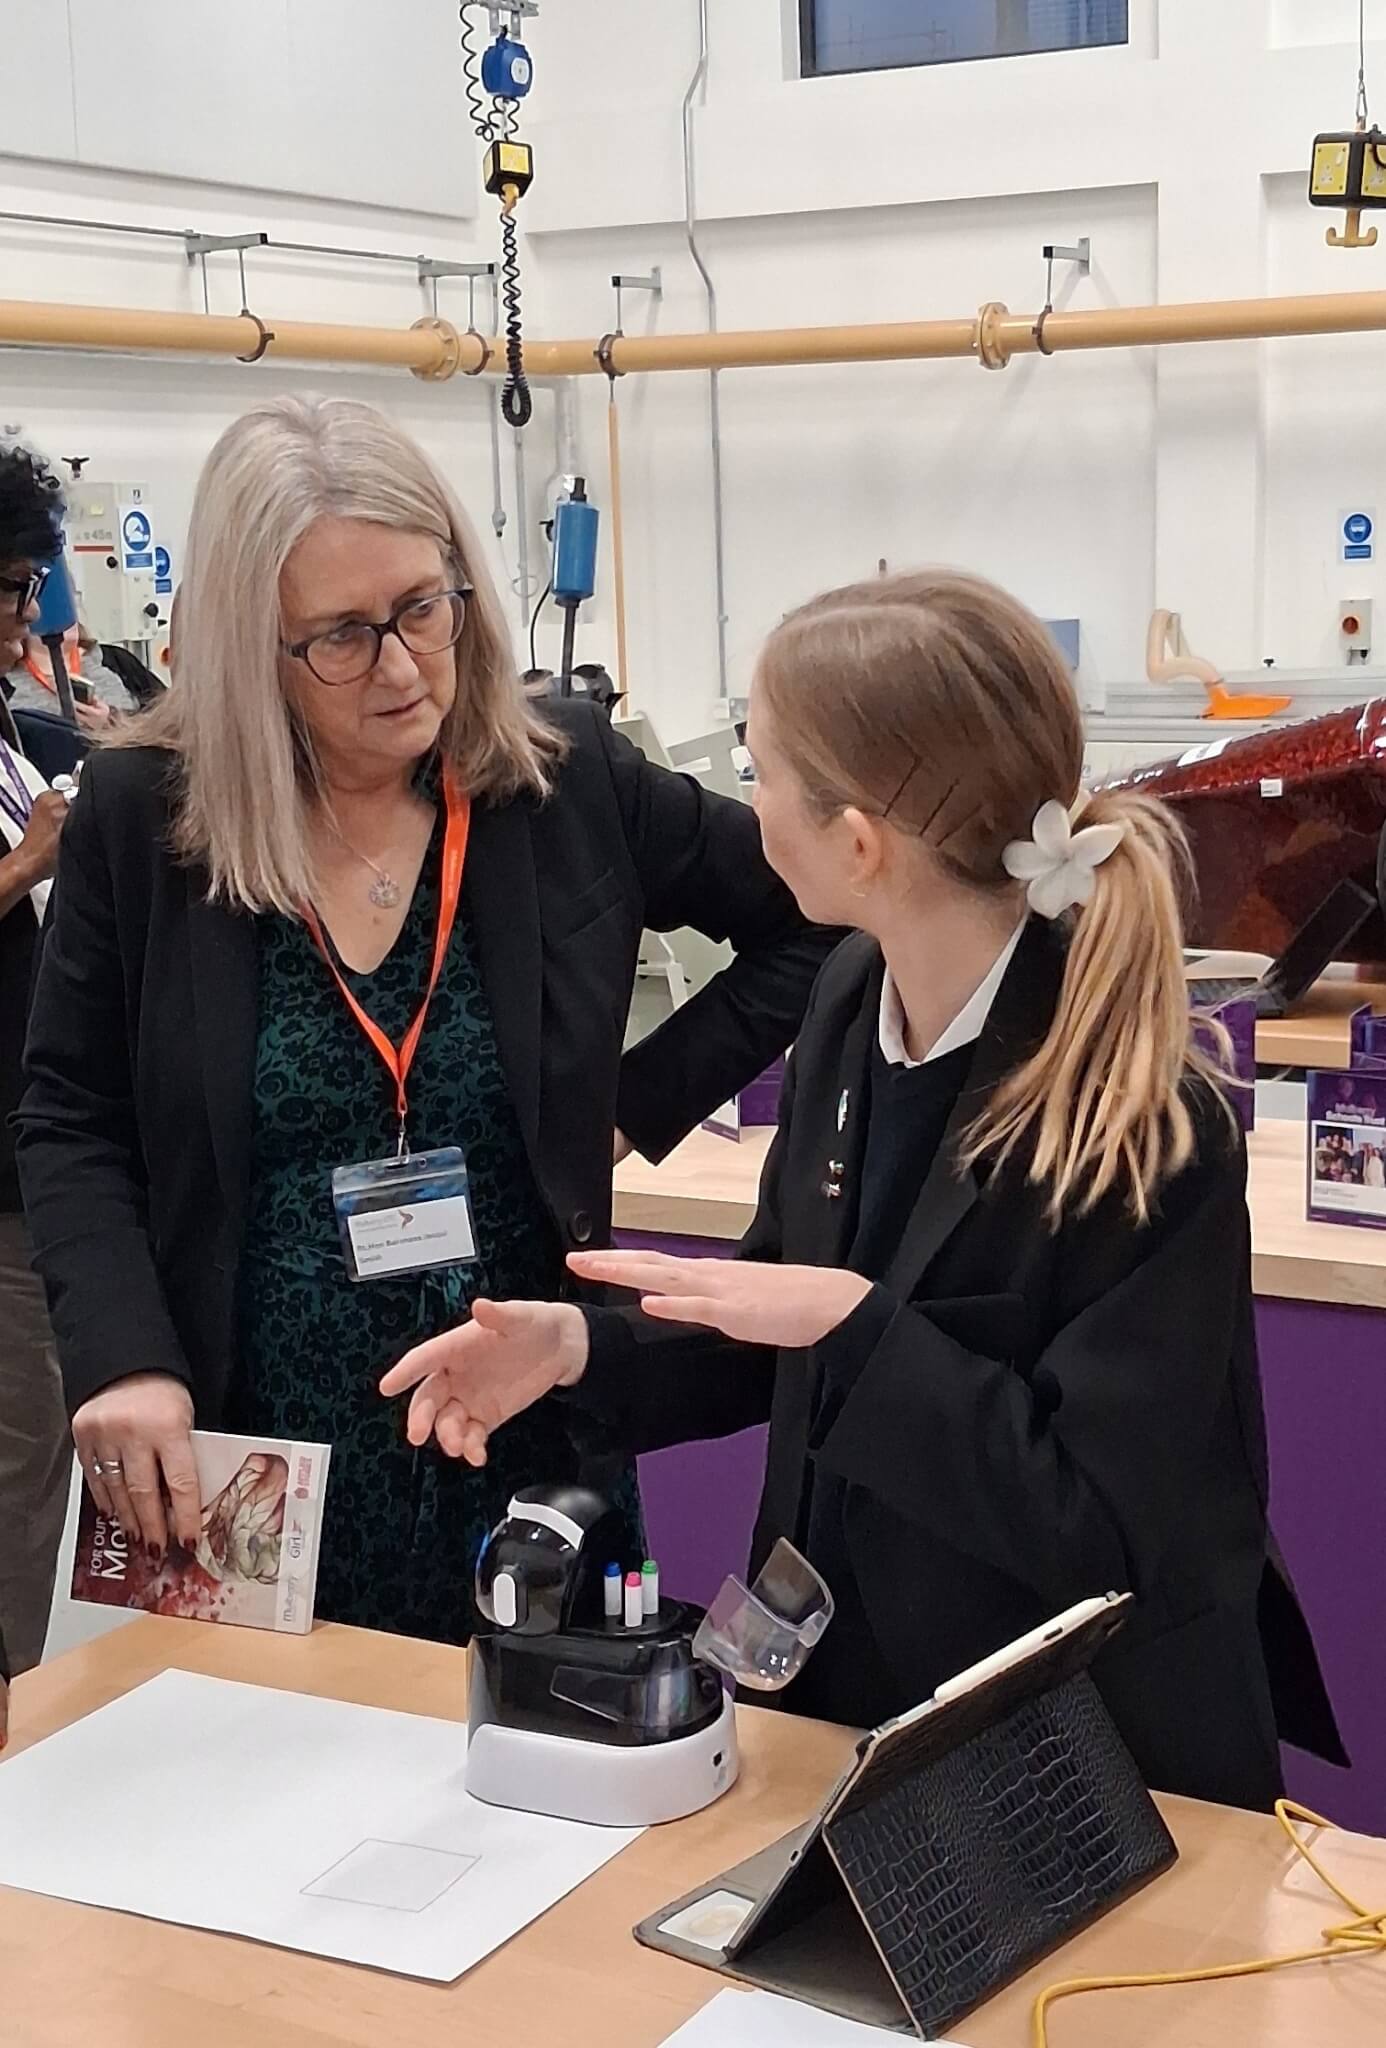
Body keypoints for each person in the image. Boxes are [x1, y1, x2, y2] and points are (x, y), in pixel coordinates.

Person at [383, 567, 1344, 1811]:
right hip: (865, 1726)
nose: (747, 798)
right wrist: (579, 1352)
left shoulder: (1144, 1127)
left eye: (761, 764)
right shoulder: (849, 1001)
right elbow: (776, 1333)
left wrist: (855, 1319)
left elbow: (1100, 1529)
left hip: (1093, 1769)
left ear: (856, 840)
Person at [16, 395, 838, 1648]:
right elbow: (72, 1116)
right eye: (341, 636)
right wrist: (128, 1357)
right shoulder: (148, 810)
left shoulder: (560, 779)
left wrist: (627, 1106)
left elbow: (821, 914)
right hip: (254, 1462)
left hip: (526, 1436)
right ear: (252, 647)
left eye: (422, 607)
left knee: (552, 1807)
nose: (401, 666)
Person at [0, 442, 75, 1746]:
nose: (18, 620)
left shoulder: (17, 729)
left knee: (29, 1464)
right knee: (18, 1459)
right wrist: (28, 864)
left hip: (32, 1164)